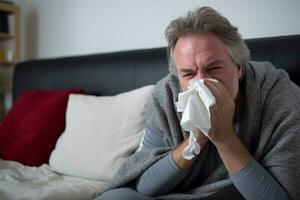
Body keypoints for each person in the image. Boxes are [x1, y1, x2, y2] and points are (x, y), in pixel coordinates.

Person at [96, 6, 300, 200]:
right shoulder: (166, 95)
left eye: (213, 68)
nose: (201, 81)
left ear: (238, 67)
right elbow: (146, 186)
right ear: (178, 77)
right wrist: (197, 137)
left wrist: (224, 138)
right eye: (189, 73)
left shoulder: (277, 93)